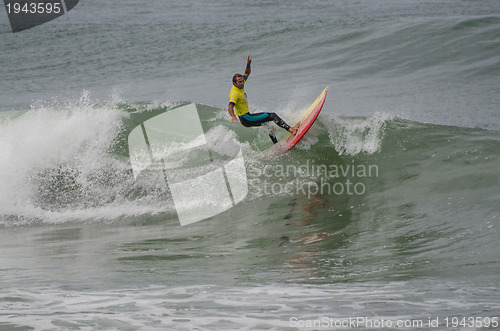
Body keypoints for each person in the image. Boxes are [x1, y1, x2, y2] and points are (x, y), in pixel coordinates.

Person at [228, 54, 298, 144]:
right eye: (240, 82)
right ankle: (290, 129)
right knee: (272, 115)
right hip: (246, 118)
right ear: (234, 83)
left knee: (267, 123)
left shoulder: (240, 86)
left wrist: (248, 64)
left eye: (242, 81)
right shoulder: (235, 93)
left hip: (247, 118)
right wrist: (233, 116)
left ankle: (276, 144)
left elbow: (247, 73)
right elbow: (230, 106)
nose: (242, 83)